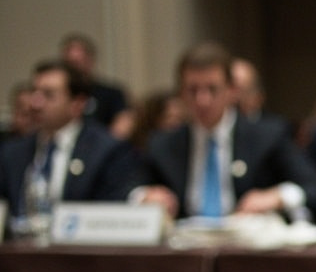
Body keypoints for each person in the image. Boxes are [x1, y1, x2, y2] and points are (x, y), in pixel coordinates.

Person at [136, 40, 316, 222]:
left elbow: (315, 187)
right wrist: (145, 196)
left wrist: (276, 197)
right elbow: (124, 188)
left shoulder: (267, 136)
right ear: (180, 93)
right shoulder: (162, 144)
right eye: (193, 90)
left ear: (231, 90)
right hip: (184, 246)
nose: (203, 100)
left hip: (247, 247)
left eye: (212, 89)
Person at [0, 58, 142, 225]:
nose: (34, 103)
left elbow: (114, 209)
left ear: (77, 104)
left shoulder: (106, 150)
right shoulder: (12, 152)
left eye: (48, 95)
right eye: (34, 92)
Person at [58, 31, 133, 139]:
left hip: (102, 148)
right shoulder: (58, 96)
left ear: (90, 60)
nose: (74, 69)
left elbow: (123, 126)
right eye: (69, 64)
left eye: (78, 63)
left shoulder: (111, 93)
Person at [129, 88, 185, 153]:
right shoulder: (139, 151)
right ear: (154, 118)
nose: (176, 123)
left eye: (180, 118)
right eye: (169, 117)